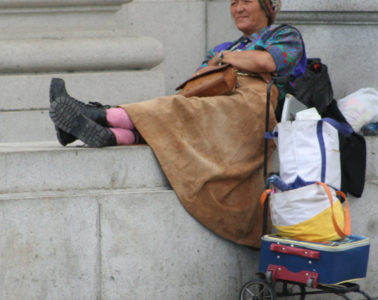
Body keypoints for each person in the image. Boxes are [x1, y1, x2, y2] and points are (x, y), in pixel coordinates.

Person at [49, 0, 306, 248]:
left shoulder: (284, 34)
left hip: (252, 109)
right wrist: (233, 59)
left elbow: (266, 62)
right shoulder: (229, 45)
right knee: (178, 110)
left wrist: (226, 58)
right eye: (233, 3)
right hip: (216, 104)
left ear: (267, 7)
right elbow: (197, 81)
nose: (237, 9)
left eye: (246, 1)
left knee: (178, 109)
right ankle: (107, 134)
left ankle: (94, 115)